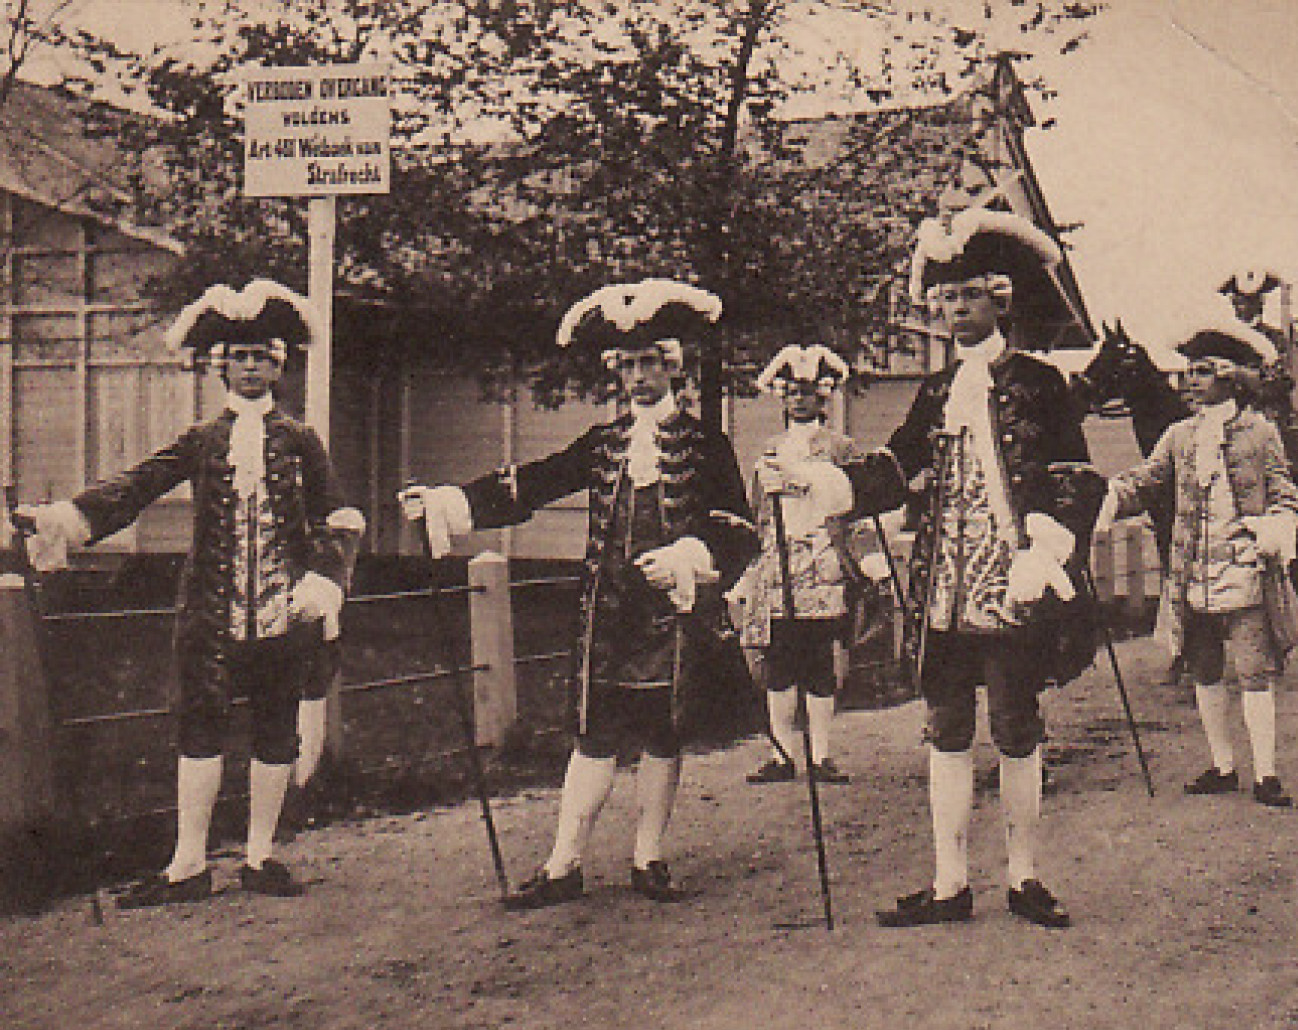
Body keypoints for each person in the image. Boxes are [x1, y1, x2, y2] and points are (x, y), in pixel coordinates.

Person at [764, 207, 1103, 929]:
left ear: (999, 299)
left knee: (1015, 727)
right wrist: (833, 486)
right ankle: (949, 883)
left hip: (1012, 585)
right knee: (945, 728)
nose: (954, 311)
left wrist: (1047, 552)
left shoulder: (1041, 383)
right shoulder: (935, 390)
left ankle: (1024, 876)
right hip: (942, 595)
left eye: (967, 298)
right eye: (945, 300)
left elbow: (1077, 477)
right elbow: (896, 464)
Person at [403, 279, 756, 908]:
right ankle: (564, 864)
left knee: (662, 734)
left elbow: (736, 529)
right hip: (608, 615)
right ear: (615, 373)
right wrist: (450, 500)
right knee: (592, 736)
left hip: (672, 612)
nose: (640, 377)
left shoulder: (707, 444)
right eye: (628, 365)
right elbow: (530, 485)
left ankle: (650, 856)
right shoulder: (602, 443)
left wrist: (689, 556)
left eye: (651, 362)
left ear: (673, 366)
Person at [19, 281, 357, 906]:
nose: (250, 367)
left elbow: (338, 518)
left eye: (262, 356)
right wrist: (64, 517)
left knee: (275, 729)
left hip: (284, 614)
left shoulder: (303, 441)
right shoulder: (203, 439)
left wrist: (324, 580)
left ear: (279, 366)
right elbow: (137, 485)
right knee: (200, 726)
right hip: (209, 612)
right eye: (239, 356)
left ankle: (260, 856)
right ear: (220, 365)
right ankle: (188, 864)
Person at [1097, 329, 1298, 809]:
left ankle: (1267, 774)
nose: (1191, 382)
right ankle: (1223, 765)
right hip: (1192, 575)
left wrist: (1271, 535)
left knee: (1254, 673)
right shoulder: (1179, 435)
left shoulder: (1260, 432)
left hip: (1245, 574)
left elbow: (1286, 496)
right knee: (1205, 671)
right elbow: (1148, 479)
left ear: (1230, 378)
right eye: (1188, 372)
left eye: (1203, 372)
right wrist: (1112, 492)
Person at [730, 344, 889, 786]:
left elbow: (857, 508)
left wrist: (869, 562)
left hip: (825, 564)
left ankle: (821, 754)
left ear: (824, 396)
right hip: (779, 568)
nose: (800, 401)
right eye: (792, 393)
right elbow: (756, 509)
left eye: (808, 393)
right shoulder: (770, 448)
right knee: (779, 665)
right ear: (782, 397)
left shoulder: (841, 448)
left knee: (821, 663)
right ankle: (781, 755)